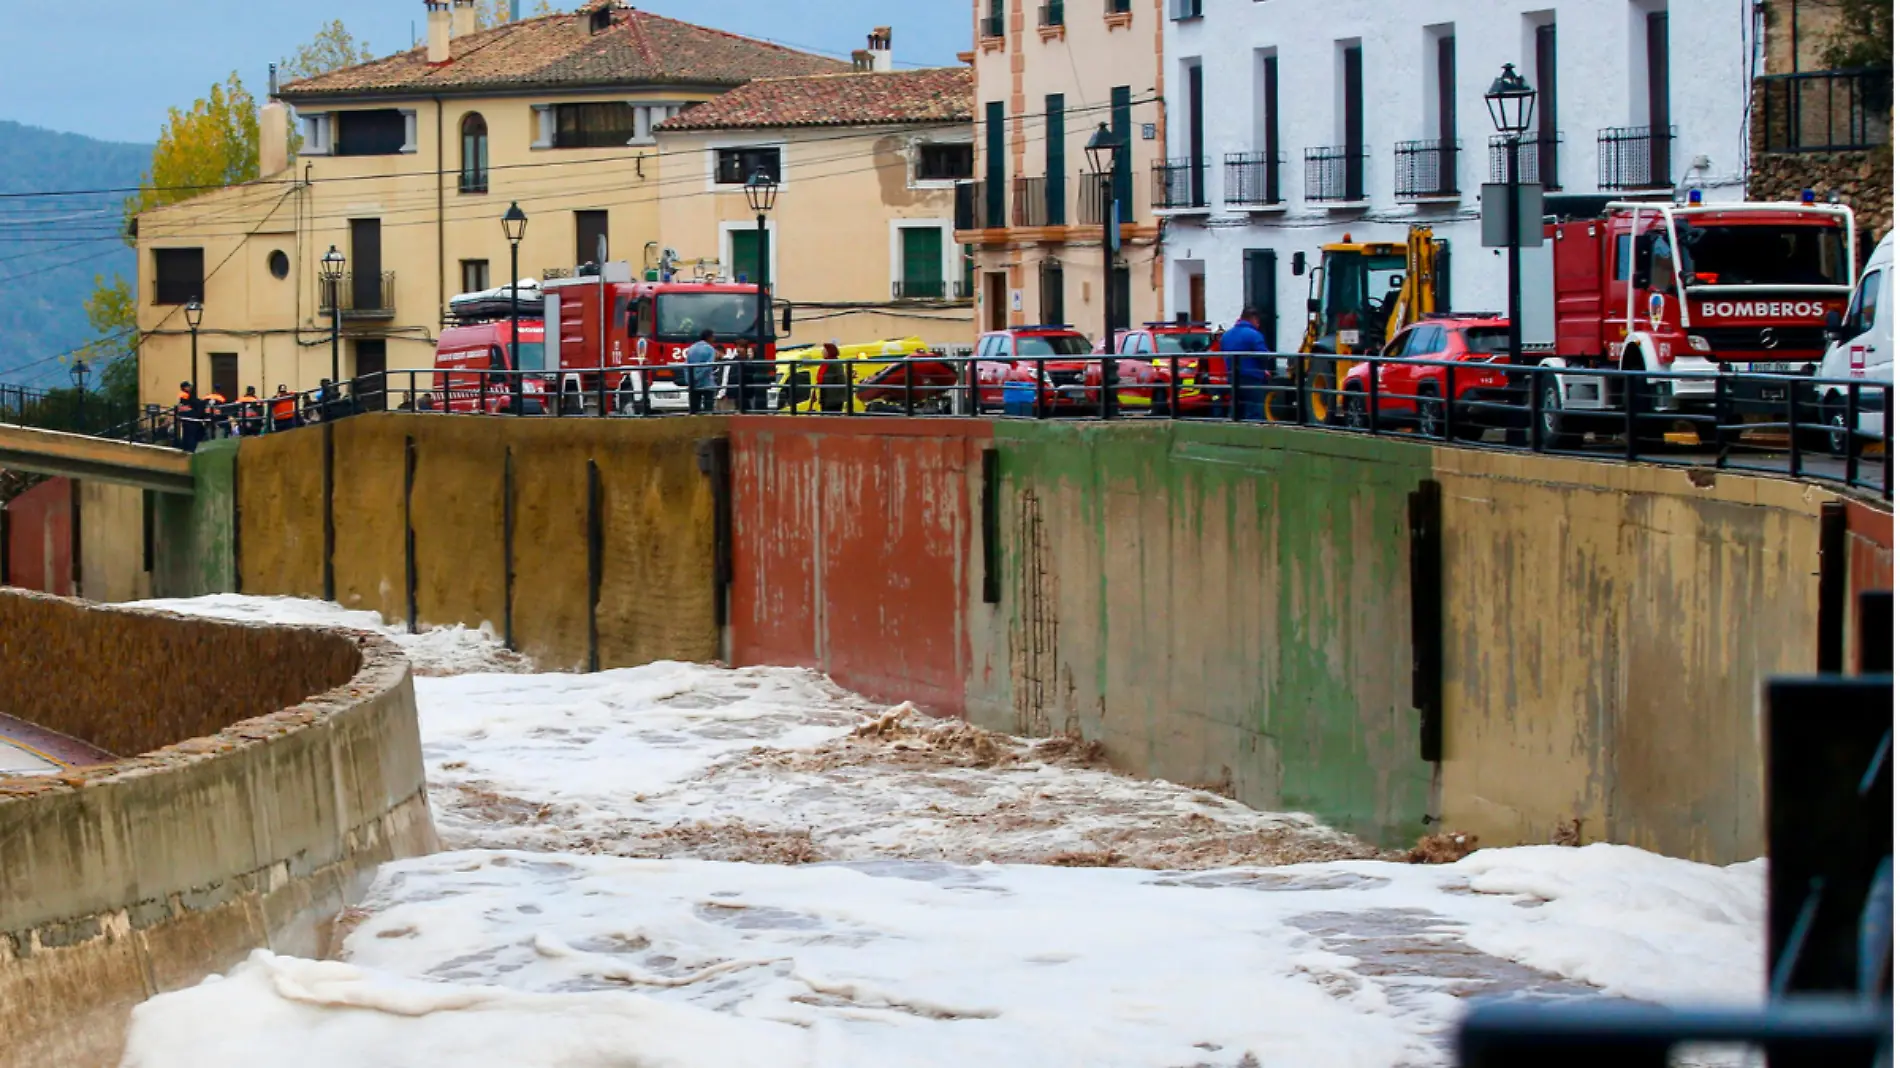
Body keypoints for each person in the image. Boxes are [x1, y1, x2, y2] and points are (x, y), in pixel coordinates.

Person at [1220, 306, 1271, 421]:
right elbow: (1264, 356)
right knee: (1254, 412)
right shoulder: (1254, 335)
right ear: (1253, 319)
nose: (1258, 324)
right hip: (1252, 379)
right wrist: (1263, 369)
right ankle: (1253, 436)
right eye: (1258, 321)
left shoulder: (1226, 336)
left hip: (1232, 377)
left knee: (1236, 411)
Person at [683, 328, 718, 414]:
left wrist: (690, 379)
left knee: (694, 410)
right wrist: (698, 376)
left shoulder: (691, 348)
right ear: (709, 337)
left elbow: (686, 365)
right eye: (713, 337)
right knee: (708, 408)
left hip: (693, 384)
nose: (714, 339)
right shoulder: (710, 349)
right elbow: (709, 366)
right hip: (707, 383)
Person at [174, 381, 203, 450]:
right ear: (185, 388)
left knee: (186, 434)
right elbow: (194, 402)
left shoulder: (182, 395)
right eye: (188, 387)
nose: (190, 388)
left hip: (184, 417)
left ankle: (186, 447)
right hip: (189, 417)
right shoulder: (185, 396)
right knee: (191, 434)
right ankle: (191, 448)